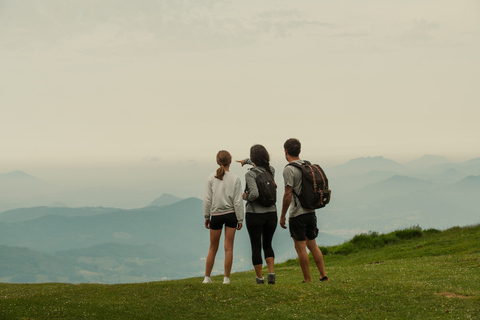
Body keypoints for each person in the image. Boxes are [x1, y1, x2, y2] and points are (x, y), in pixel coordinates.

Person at [279, 138, 329, 283]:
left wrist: (282, 215)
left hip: (297, 213)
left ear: (285, 151)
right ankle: (323, 275)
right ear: (299, 151)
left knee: (300, 247)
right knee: (313, 245)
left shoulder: (289, 169)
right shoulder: (307, 165)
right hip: (311, 211)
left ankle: (307, 279)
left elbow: (288, 194)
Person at [237, 144, 278, 284]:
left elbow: (254, 194)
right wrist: (246, 161)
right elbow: (259, 163)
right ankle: (271, 275)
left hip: (255, 214)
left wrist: (244, 196)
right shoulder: (271, 170)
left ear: (253, 158)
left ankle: (260, 278)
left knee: (256, 246)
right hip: (272, 213)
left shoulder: (250, 174)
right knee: (268, 244)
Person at [203, 150, 244, 284]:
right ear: (230, 161)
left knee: (212, 248)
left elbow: (207, 200)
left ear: (217, 161)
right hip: (231, 214)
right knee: (229, 248)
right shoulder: (235, 178)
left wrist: (206, 216)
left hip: (216, 215)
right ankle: (226, 278)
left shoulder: (211, 178)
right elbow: (238, 201)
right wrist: (240, 218)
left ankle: (207, 277)